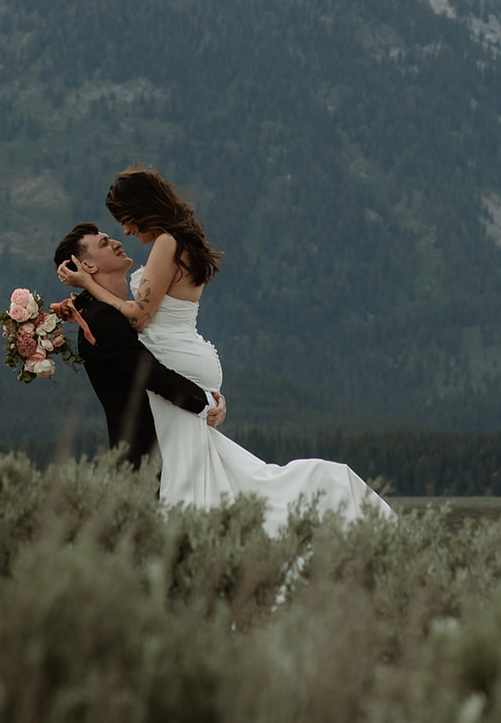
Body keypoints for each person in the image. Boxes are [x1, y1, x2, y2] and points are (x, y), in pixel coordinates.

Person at [57, 167, 393, 535]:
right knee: (216, 473)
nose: (125, 232)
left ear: (142, 209)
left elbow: (137, 318)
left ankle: (194, 538)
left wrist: (88, 284)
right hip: (185, 361)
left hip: (176, 362)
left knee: (195, 479)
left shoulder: (166, 243)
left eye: (125, 220)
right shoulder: (174, 243)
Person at [52, 221, 226, 470]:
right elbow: (150, 372)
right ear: (88, 266)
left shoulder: (112, 313)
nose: (118, 242)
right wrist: (206, 402)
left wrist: (211, 395)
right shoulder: (100, 319)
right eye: (104, 243)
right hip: (146, 462)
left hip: (169, 450)